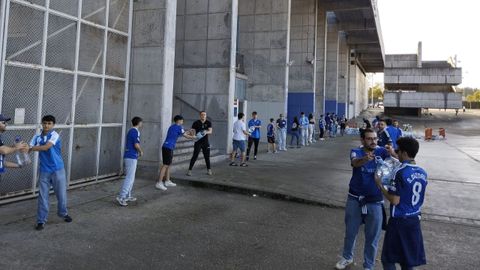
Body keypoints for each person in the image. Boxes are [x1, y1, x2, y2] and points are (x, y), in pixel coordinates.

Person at [335, 128, 394, 270]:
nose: (373, 141)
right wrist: (364, 159)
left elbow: (397, 160)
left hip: (375, 201)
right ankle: (347, 258)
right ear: (362, 140)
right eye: (369, 138)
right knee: (350, 232)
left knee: (373, 237)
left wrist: (392, 151)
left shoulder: (382, 151)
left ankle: (369, 265)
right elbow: (355, 163)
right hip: (355, 199)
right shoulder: (356, 151)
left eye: (375, 138)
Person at [375, 137, 427, 270]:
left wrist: (380, 185)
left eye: (398, 151)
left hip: (399, 220)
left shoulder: (399, 172)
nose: (396, 153)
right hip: (414, 219)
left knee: (388, 258)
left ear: (404, 153)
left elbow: (394, 200)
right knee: (407, 260)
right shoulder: (422, 172)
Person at [29, 115, 72, 231]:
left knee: (61, 195)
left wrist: (30, 148)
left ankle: (63, 213)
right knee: (43, 196)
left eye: (49, 123)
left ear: (53, 125)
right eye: (45, 123)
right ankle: (41, 220)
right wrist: (20, 147)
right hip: (44, 170)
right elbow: (28, 147)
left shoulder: (54, 135)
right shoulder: (36, 137)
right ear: (41, 124)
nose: (46, 125)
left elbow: (46, 147)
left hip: (58, 169)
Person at [155, 115, 196, 191]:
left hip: (167, 147)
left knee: (169, 164)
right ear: (179, 120)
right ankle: (159, 183)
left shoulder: (172, 127)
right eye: (182, 120)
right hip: (168, 147)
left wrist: (188, 132)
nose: (183, 122)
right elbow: (186, 136)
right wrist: (194, 137)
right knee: (165, 165)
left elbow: (181, 133)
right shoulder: (179, 127)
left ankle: (167, 181)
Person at [116, 116, 144, 206]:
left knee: (131, 178)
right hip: (131, 157)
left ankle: (128, 195)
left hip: (131, 156)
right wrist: (141, 151)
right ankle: (121, 196)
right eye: (141, 122)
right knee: (129, 178)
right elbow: (136, 144)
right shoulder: (134, 131)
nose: (142, 124)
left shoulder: (132, 131)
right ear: (139, 123)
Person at [187, 111, 213, 176]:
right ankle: (189, 170)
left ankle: (209, 170)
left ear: (206, 116)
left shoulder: (208, 122)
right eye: (202, 115)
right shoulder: (196, 123)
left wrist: (205, 132)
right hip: (198, 142)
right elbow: (193, 131)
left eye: (204, 115)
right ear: (200, 115)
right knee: (195, 156)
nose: (203, 116)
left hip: (205, 142)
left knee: (207, 157)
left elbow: (210, 131)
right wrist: (192, 133)